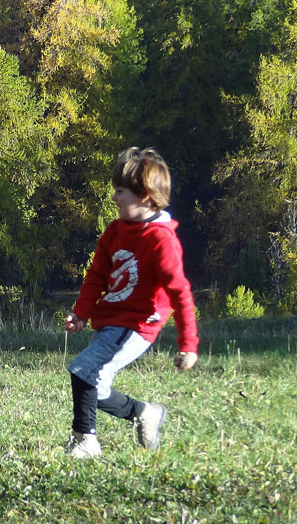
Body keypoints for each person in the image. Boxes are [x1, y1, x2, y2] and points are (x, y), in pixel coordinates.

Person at [63, 147, 199, 458]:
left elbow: (179, 292)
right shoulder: (115, 231)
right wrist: (81, 313)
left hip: (137, 324)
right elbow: (97, 275)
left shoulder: (161, 240)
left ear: (146, 197)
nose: (115, 198)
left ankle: (85, 440)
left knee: (84, 370)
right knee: (94, 387)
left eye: (121, 192)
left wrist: (188, 344)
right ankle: (144, 413)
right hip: (110, 320)